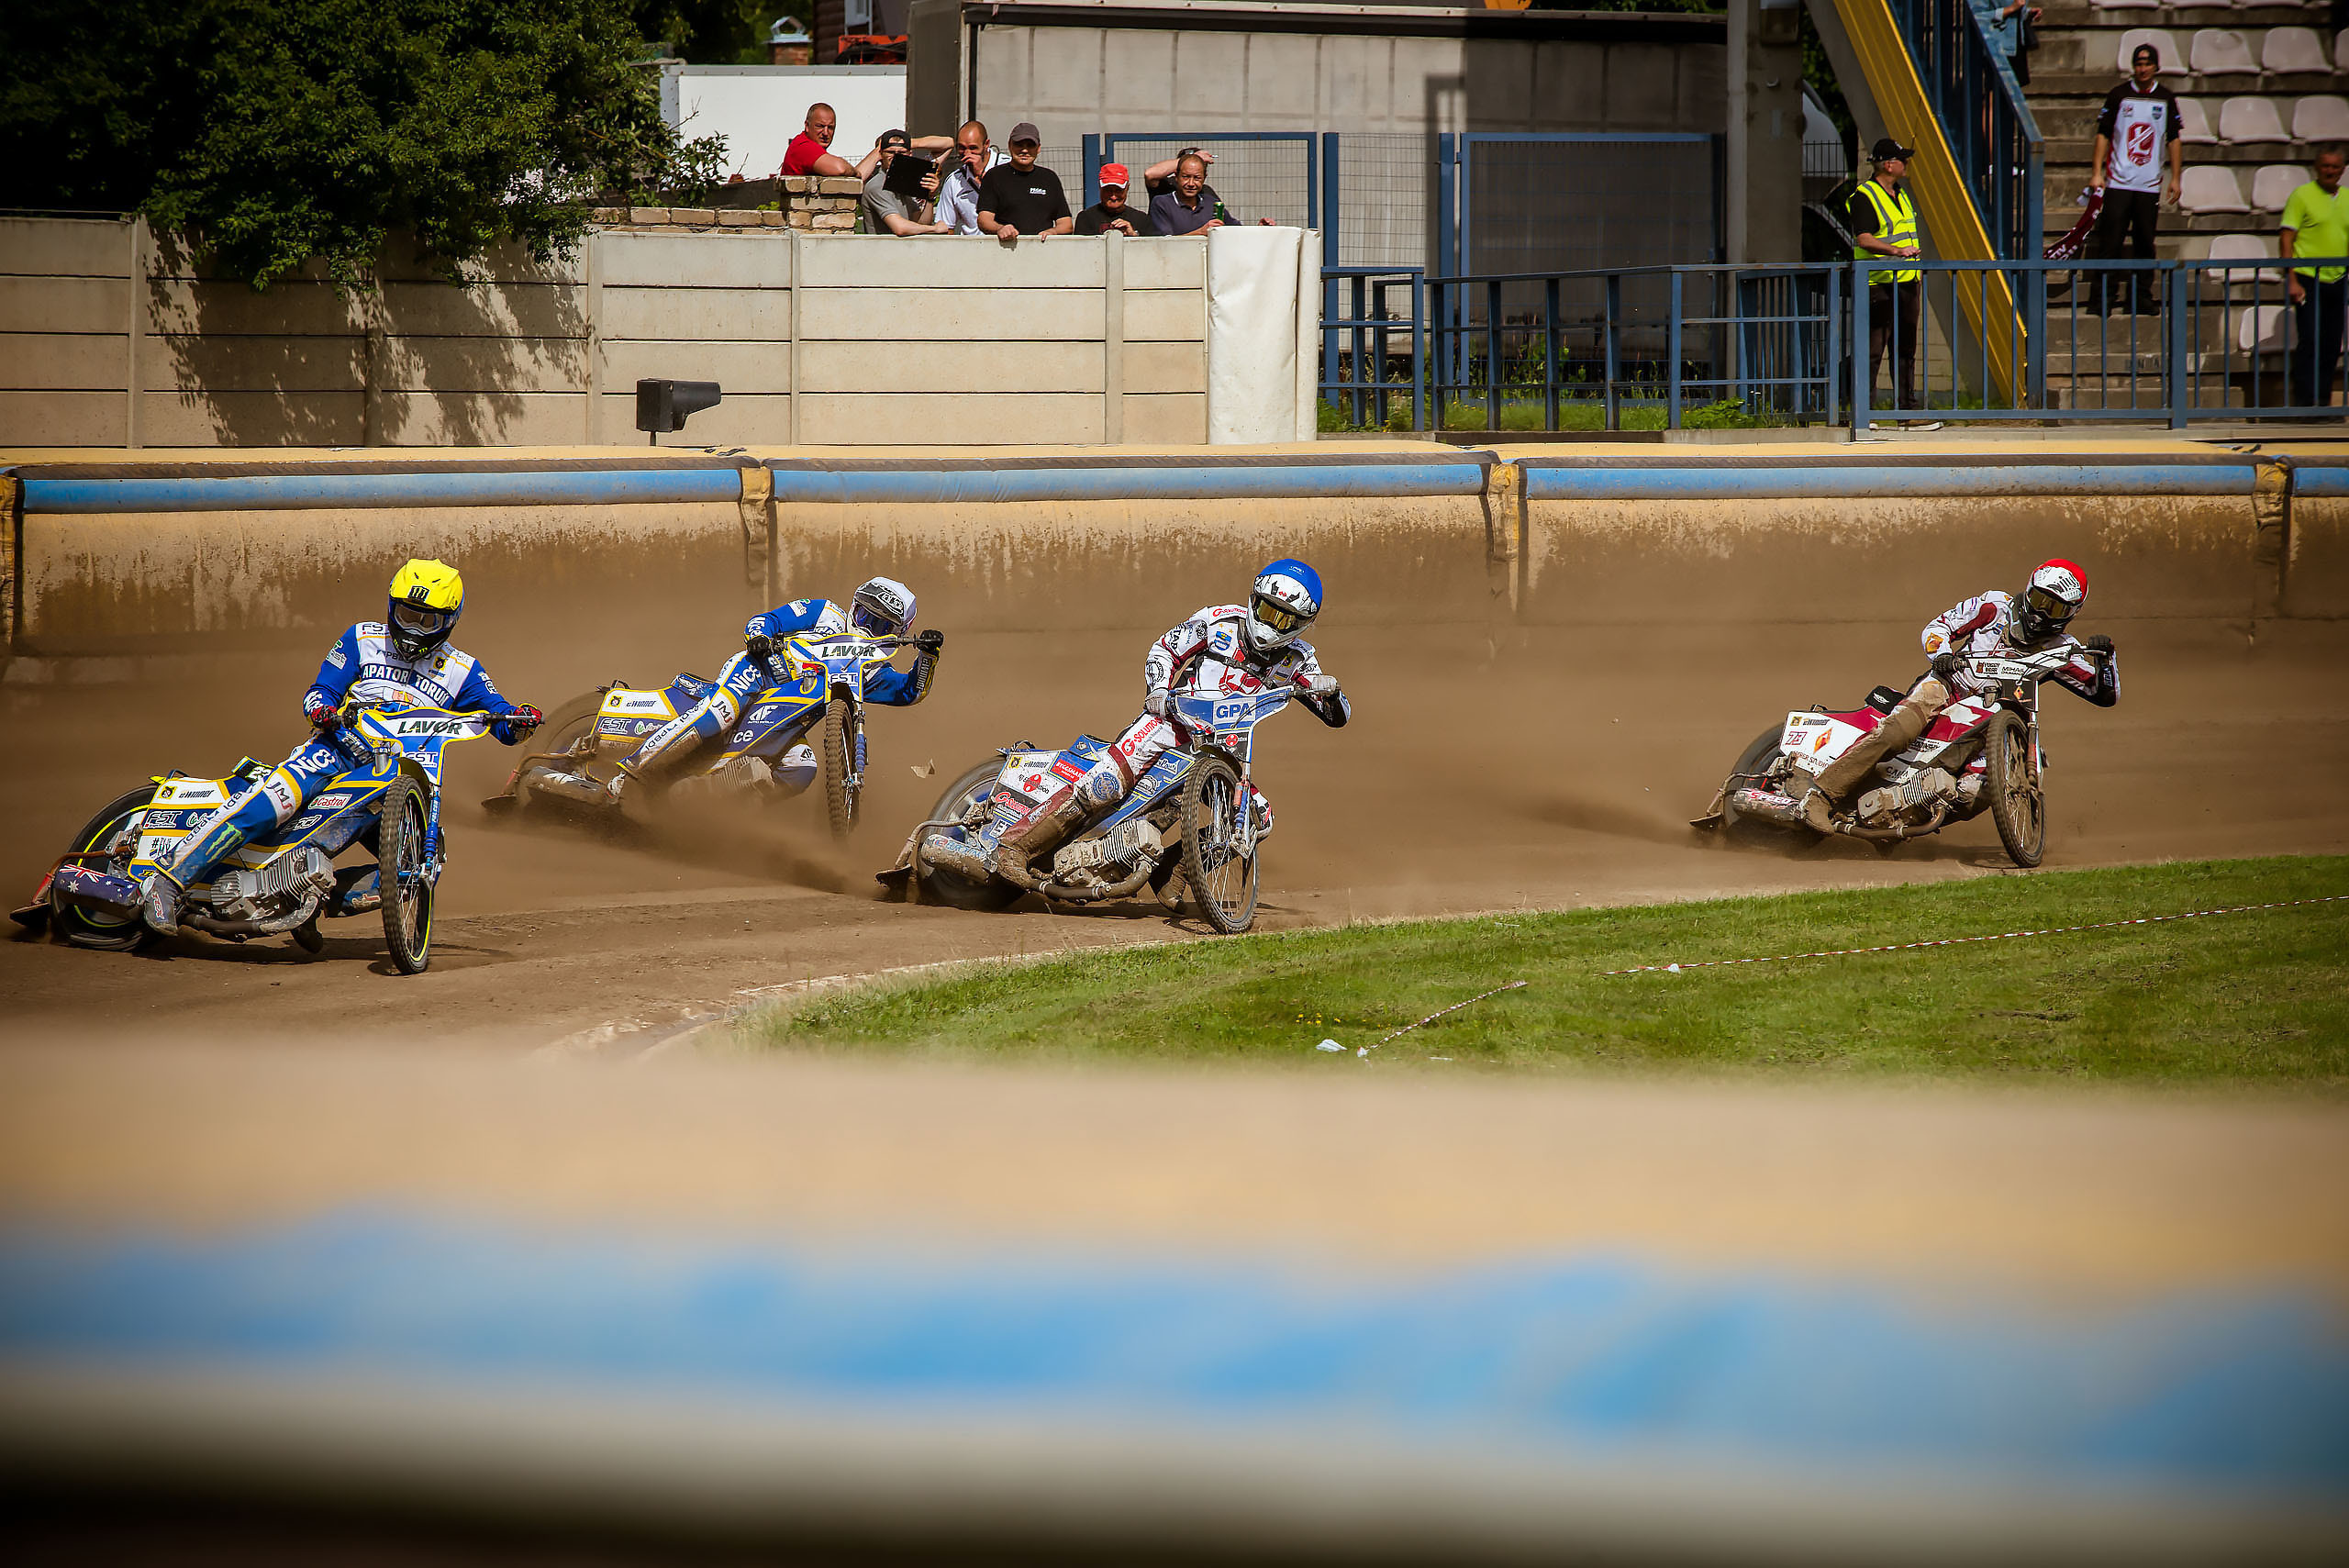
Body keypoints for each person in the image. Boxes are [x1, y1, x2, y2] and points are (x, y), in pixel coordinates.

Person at [138, 559, 543, 934]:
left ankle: (309, 900)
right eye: (407, 615)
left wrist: (521, 719)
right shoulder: (361, 638)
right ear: (391, 606)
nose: (414, 628)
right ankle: (167, 882)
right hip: (335, 750)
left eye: (428, 620)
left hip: (396, 778)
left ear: (449, 621)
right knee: (273, 801)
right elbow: (322, 691)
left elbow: (502, 720)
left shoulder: (462, 669)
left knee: (424, 859)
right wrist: (322, 711)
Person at [924, 561, 1348, 888]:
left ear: (1302, 625)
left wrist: (1329, 693)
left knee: (1259, 817)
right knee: (1104, 785)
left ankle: (1178, 872)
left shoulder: (1300, 659)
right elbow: (1164, 649)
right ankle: (1012, 849)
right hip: (1169, 725)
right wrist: (1159, 688)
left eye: (1284, 618)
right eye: (1267, 610)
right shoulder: (1219, 620)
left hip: (1223, 754)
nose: (1271, 624)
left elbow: (1337, 713)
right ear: (1254, 599)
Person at [1798, 559, 2119, 830]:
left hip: (1994, 720)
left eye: (2054, 607)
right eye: (2038, 600)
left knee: (1975, 792)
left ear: (2072, 612)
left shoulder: (2064, 648)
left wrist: (2106, 659)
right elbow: (1938, 627)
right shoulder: (1995, 606)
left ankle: (1897, 818)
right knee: (1899, 731)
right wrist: (1941, 654)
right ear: (2028, 589)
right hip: (1948, 686)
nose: (2041, 613)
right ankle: (1821, 796)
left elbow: (2103, 693)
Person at [610, 577, 942, 804]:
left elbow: (909, 692)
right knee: (718, 714)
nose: (866, 627)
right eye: (864, 614)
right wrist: (759, 637)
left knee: (802, 769)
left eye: (880, 625)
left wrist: (928, 656)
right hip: (757, 671)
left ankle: (710, 810)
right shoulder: (825, 612)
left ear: (898, 632)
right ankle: (628, 777)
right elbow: (768, 619)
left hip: (786, 715)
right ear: (853, 605)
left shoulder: (870, 669)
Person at [1845, 138, 1935, 427]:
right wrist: (1897, 251)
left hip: (1907, 281)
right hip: (1878, 283)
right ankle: (1863, 414)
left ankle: (1906, 413)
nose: (1907, 164)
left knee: (1905, 350)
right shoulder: (1865, 196)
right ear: (1888, 165)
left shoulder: (1901, 194)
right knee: (1872, 350)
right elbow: (1864, 239)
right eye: (1903, 160)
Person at [2087, 43, 2182, 315]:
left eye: (2147, 64)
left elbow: (2174, 139)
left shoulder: (2165, 98)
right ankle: (2103, 299)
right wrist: (2097, 173)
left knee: (2144, 244)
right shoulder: (2119, 95)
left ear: (2156, 67)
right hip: (2119, 181)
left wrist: (2175, 178)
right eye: (2139, 64)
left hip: (2148, 184)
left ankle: (2140, 298)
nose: (2143, 69)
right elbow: (2103, 134)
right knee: (2110, 242)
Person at [2280, 145, 2349, 412]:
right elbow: (2287, 237)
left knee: (2332, 344)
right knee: (2310, 339)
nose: (2330, 171)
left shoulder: (2347, 197)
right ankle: (2305, 403)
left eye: (2335, 166)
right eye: (2325, 166)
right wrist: (2291, 279)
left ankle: (2323, 403)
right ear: (2316, 168)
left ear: (2342, 170)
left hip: (2338, 278)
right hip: (2308, 277)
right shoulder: (2302, 195)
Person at [780, 103, 949, 182]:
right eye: (820, 126)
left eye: (830, 127)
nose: (825, 133)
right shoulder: (804, 147)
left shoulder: (912, 171)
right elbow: (841, 169)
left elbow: (948, 143)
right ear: (807, 125)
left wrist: (907, 143)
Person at [975, 124, 1073, 239]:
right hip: (1005, 247)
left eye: (1030, 145)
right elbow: (984, 220)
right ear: (1010, 145)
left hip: (1043, 247)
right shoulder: (994, 176)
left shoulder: (1049, 178)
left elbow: (1066, 224)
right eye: (1019, 144)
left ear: (1038, 148)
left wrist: (1052, 232)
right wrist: (1000, 229)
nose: (1025, 150)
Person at [862, 129, 951, 237]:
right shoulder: (877, 186)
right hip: (883, 247)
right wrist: (935, 229)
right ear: (881, 154)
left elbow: (920, 224)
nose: (896, 157)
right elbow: (900, 228)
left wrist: (930, 198)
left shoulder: (905, 182)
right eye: (890, 152)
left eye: (901, 153)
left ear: (909, 154)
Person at [935, 120, 1002, 237]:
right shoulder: (954, 180)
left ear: (986, 144)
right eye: (961, 148)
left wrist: (982, 175)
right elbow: (946, 227)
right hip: (971, 245)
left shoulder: (1006, 167)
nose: (967, 154)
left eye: (973, 148)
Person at [1151, 152, 1225, 237]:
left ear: (1204, 178)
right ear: (1176, 177)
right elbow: (1165, 242)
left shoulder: (1211, 203)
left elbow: (1235, 228)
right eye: (1186, 177)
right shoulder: (1162, 203)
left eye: (1197, 178)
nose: (1191, 183)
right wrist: (1201, 232)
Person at [1072, 163, 1156, 237]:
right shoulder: (1086, 218)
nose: (1113, 197)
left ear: (1127, 188)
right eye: (1108, 190)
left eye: (1118, 190)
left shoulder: (1142, 219)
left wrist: (1133, 235)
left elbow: (1150, 248)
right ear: (1100, 188)